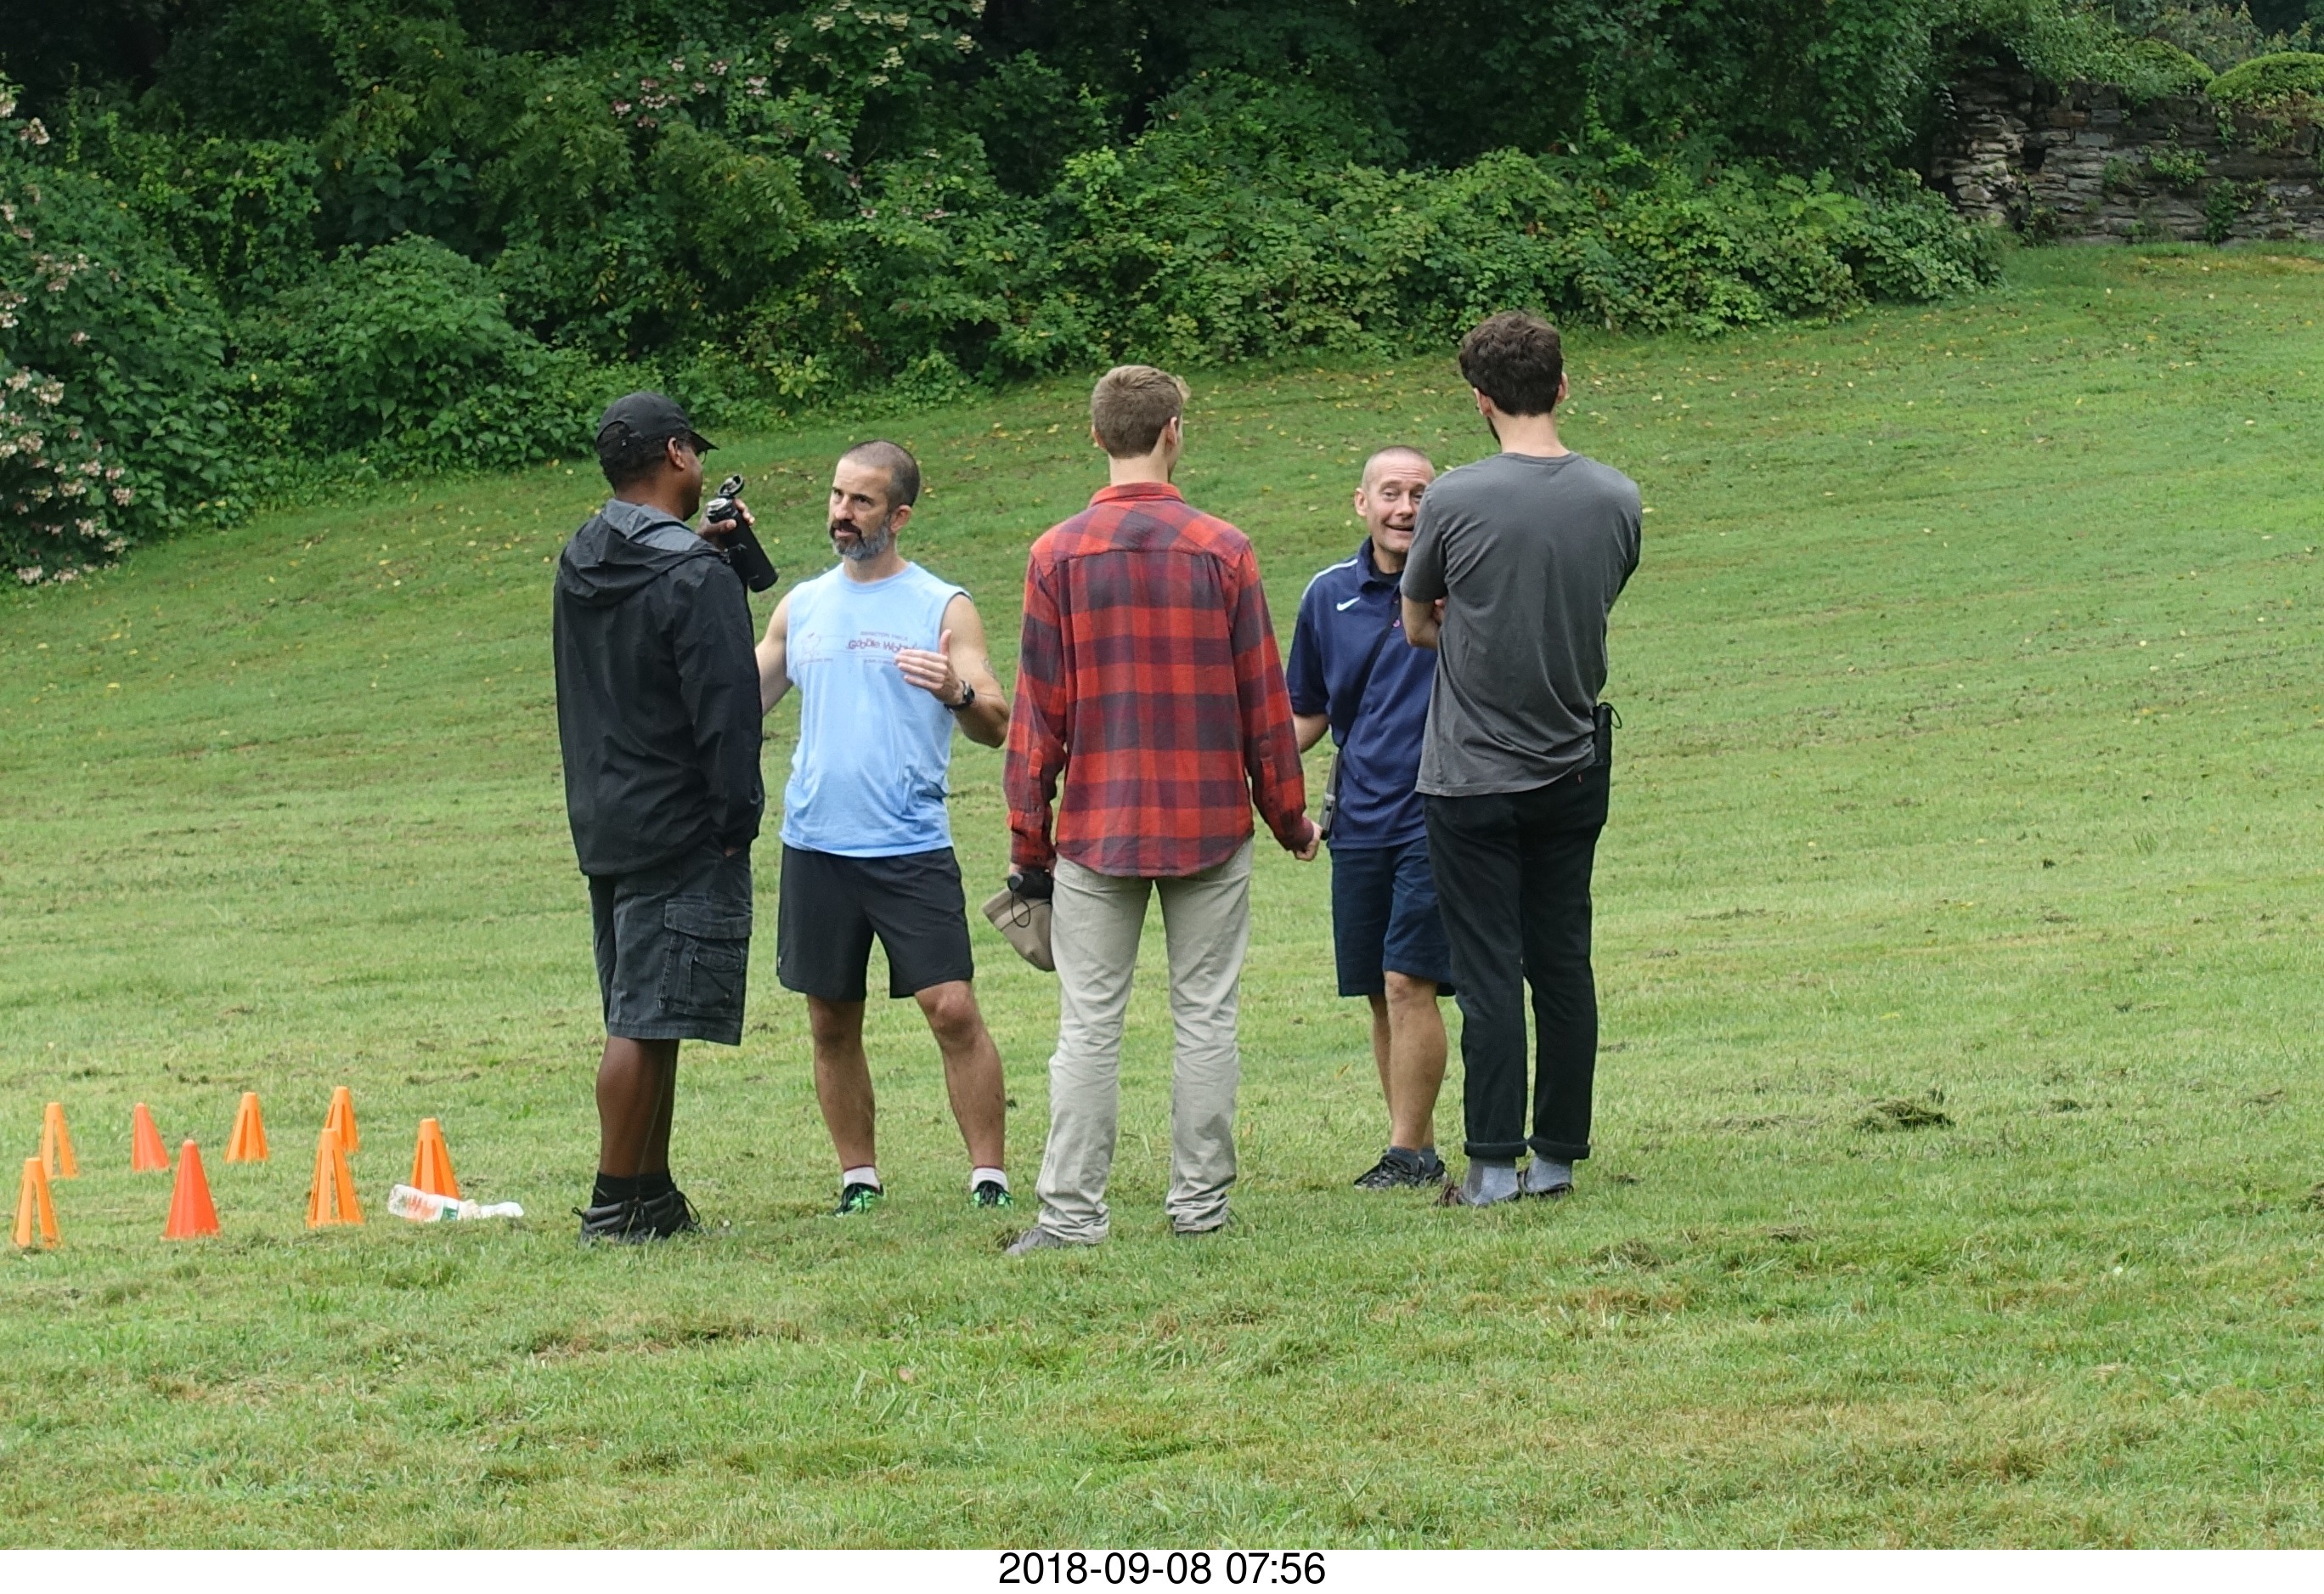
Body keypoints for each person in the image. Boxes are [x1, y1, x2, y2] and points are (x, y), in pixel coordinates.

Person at [1002, 365, 1319, 1255]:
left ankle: (1071, 1215)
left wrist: (1029, 842)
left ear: (1097, 436)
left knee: (1088, 1026)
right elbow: (1265, 705)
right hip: (1209, 823)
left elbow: (1037, 720)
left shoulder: (1055, 555)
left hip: (1096, 828)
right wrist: (1291, 820)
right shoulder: (1225, 550)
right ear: (1174, 431)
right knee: (1206, 1016)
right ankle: (1200, 1207)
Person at [1399, 312, 1641, 1207]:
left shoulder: (1455, 499)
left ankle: (1492, 1167)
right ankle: (1558, 1159)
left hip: (1469, 776)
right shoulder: (1616, 496)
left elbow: (1417, 620)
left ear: (1480, 401)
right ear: (1563, 387)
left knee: (1489, 971)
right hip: (1573, 764)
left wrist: (1466, 625)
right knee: (1563, 962)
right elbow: (1596, 598)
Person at [755, 441, 1016, 1215]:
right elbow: (737, 698)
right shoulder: (803, 604)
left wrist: (956, 690)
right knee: (830, 1020)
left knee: (952, 1009)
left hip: (909, 847)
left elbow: (996, 722)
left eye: (861, 501)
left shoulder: (942, 605)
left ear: (899, 516)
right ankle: (859, 1180)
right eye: (838, 496)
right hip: (816, 846)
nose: (842, 513)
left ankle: (990, 1179)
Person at [553, 392, 764, 1242]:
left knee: (649, 1007)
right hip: (682, 820)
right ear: (676, 453)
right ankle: (614, 1205)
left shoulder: (581, 557)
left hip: (606, 812)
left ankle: (652, 1194)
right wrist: (736, 819)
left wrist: (703, 551)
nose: (701, 466)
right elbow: (727, 711)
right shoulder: (695, 577)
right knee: (643, 1019)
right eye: (696, 452)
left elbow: (638, 623)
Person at [1287, 446, 1456, 1190]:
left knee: (1408, 980)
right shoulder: (1327, 595)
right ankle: (1414, 1150)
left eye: (1420, 494)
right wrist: (1252, 774)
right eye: (1391, 493)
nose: (1406, 509)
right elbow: (1306, 712)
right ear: (1362, 503)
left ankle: (1406, 1153)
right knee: (1379, 993)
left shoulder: (1462, 585)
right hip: (1357, 819)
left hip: (1439, 810)